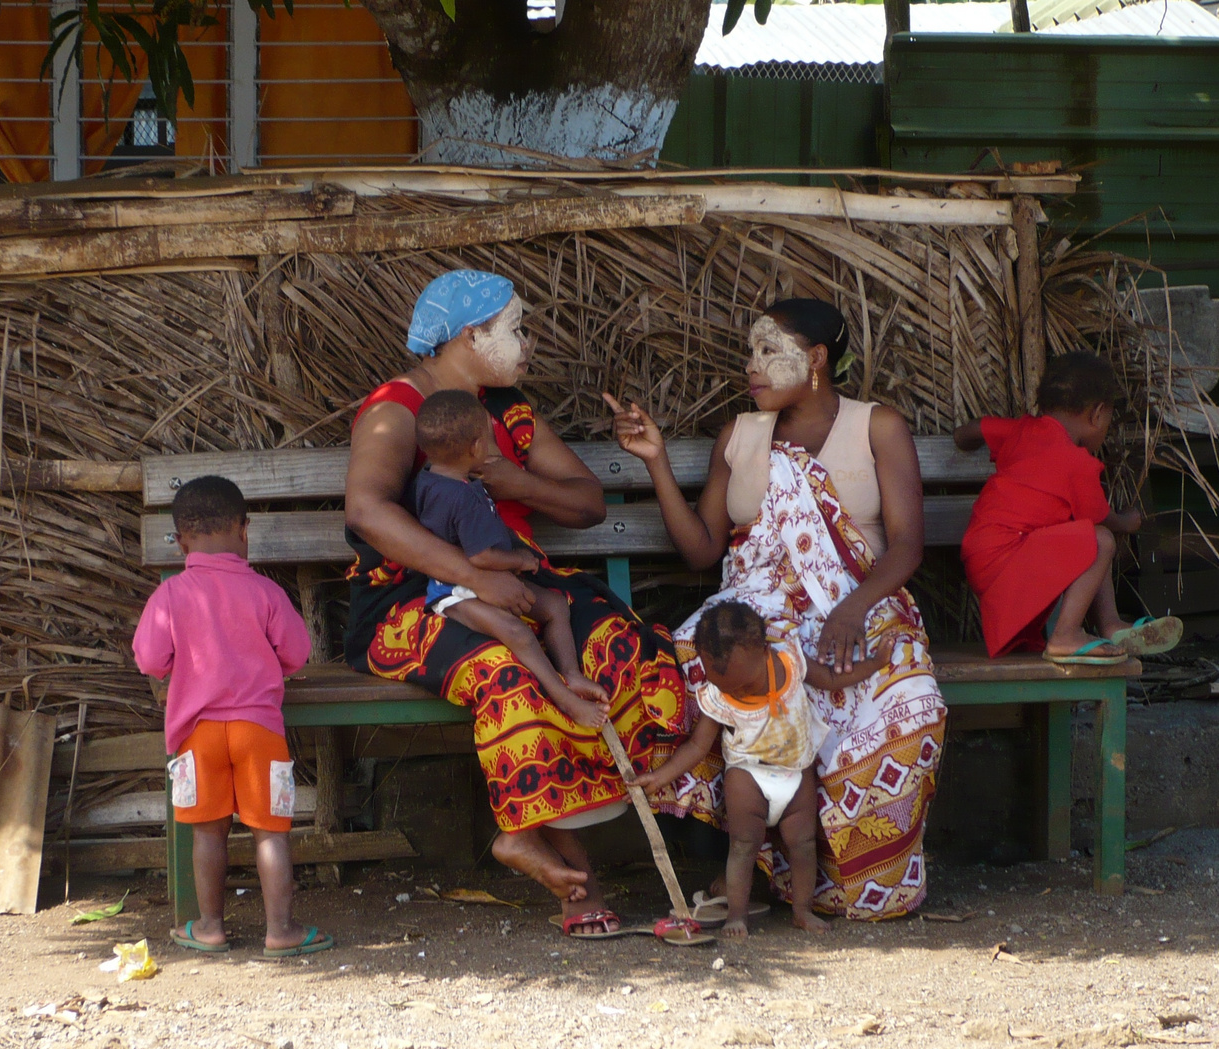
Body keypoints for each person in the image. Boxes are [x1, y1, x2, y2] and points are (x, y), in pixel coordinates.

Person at [344, 270, 686, 938]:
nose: (528, 342)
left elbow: (586, 503)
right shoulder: (395, 411)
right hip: (414, 600)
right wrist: (474, 576)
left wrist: (506, 476)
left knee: (625, 649)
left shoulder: (508, 415)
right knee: (511, 674)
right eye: (517, 328)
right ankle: (563, 868)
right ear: (471, 335)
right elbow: (368, 510)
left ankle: (683, 829)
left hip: (520, 584)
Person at [605, 297, 947, 921]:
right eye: (750, 351)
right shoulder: (740, 435)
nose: (751, 366)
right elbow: (702, 550)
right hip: (754, 610)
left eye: (769, 351)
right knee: (679, 676)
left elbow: (907, 546)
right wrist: (656, 462)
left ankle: (855, 880)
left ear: (816, 360)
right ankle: (757, 861)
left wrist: (849, 610)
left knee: (907, 699)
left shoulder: (878, 426)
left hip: (864, 604)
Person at [133, 475, 333, 958]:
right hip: (259, 730)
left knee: (207, 831)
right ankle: (280, 931)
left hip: (195, 736)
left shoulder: (171, 596)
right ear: (244, 531)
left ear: (181, 541)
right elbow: (298, 654)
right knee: (271, 832)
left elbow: (150, 660)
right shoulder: (265, 592)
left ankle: (209, 927)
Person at [630, 602, 897, 936]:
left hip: (797, 774)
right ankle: (737, 916)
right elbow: (698, 746)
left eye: (744, 685)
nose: (737, 693)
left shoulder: (791, 661)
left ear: (763, 650)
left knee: (803, 846)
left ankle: (802, 910)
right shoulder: (718, 694)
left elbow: (829, 679)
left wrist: (874, 663)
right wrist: (661, 776)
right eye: (728, 688)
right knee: (742, 846)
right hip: (747, 776)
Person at [955, 349, 1182, 661]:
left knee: (1086, 534)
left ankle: (1110, 625)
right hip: (1007, 558)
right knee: (1100, 538)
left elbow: (972, 429)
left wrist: (961, 441)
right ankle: (1065, 636)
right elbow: (1101, 517)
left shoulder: (1021, 430)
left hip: (985, 557)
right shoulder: (1077, 462)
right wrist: (1127, 521)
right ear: (1097, 414)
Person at [413, 388, 611, 728]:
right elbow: (481, 556)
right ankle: (565, 697)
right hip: (454, 592)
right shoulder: (463, 499)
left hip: (471, 582)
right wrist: (520, 560)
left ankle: (571, 674)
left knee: (554, 606)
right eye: (487, 440)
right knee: (516, 632)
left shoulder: (430, 477)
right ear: (476, 448)